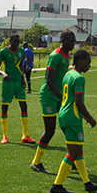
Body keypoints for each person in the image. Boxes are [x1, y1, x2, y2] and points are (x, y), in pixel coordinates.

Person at [50, 50, 97, 193]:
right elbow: (78, 102)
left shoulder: (68, 74)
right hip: (72, 118)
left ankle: (87, 183)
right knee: (72, 153)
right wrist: (89, 118)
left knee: (79, 151)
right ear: (80, 61)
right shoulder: (79, 78)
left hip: (65, 114)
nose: (89, 66)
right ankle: (57, 185)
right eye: (88, 63)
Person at [30, 31, 75, 174]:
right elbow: (49, 81)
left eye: (74, 41)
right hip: (49, 96)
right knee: (50, 131)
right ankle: (36, 162)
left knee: (67, 127)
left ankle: (72, 160)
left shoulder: (67, 55)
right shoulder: (55, 56)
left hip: (59, 95)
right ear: (62, 41)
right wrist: (62, 97)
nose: (72, 44)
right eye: (69, 41)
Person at [0, 34, 36, 144]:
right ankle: (5, 136)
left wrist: (22, 77)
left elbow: (21, 65)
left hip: (18, 82)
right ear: (10, 41)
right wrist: (3, 74)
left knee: (24, 105)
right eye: (15, 41)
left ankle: (25, 135)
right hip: (8, 83)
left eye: (18, 42)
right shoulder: (3, 52)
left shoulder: (21, 51)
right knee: (4, 108)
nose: (17, 44)